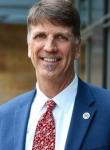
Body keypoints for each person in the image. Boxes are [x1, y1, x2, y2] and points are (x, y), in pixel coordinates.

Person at [0, 0, 110, 149]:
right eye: (40, 36)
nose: (50, 47)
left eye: (61, 37)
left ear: (77, 48)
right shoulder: (4, 117)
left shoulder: (107, 109)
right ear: (29, 46)